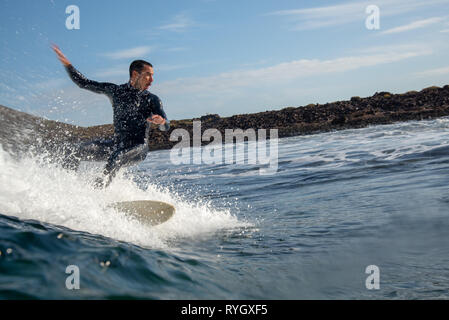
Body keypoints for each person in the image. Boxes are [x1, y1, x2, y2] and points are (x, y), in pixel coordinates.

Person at [52, 44, 170, 188]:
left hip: (138, 147)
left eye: (152, 75)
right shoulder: (116, 91)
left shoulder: (152, 99)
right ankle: (66, 186)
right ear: (135, 74)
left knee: (117, 157)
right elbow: (83, 83)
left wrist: (161, 121)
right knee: (77, 151)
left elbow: (166, 126)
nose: (152, 80)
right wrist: (68, 65)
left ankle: (100, 191)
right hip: (117, 143)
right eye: (148, 75)